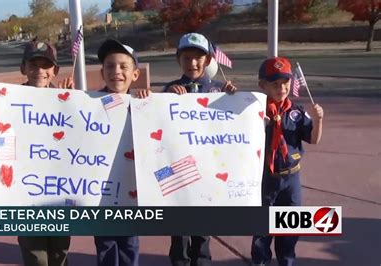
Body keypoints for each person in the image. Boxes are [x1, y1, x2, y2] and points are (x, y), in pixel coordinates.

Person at [0, 41, 73, 266]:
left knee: (60, 249)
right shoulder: (9, 101)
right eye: (33, 65)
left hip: (58, 188)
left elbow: (81, 135)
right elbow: (1, 137)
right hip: (25, 190)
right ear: (23, 68)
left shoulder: (67, 98)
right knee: (35, 253)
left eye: (46, 65)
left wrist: (73, 102)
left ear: (55, 71)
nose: (39, 71)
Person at [164, 32, 236, 266]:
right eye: (186, 58)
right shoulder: (170, 89)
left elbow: (233, 125)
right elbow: (156, 123)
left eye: (198, 58)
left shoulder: (219, 91)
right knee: (180, 232)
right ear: (179, 60)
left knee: (203, 231)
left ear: (207, 60)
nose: (193, 63)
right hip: (179, 171)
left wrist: (233, 98)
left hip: (208, 170)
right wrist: (166, 98)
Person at [251, 57, 324, 266]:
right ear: (262, 85)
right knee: (262, 230)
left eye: (285, 83)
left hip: (291, 180)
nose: (281, 88)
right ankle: (260, 262)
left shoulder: (297, 112)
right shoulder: (254, 111)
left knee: (289, 230)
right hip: (265, 179)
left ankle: (287, 261)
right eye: (275, 84)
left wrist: (319, 120)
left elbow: (314, 139)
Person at [93, 39, 149, 266]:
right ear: (102, 72)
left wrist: (147, 103)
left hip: (130, 189)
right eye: (110, 66)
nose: (116, 71)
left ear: (135, 74)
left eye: (123, 66)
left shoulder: (144, 103)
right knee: (105, 245)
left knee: (129, 244)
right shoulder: (88, 104)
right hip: (99, 191)